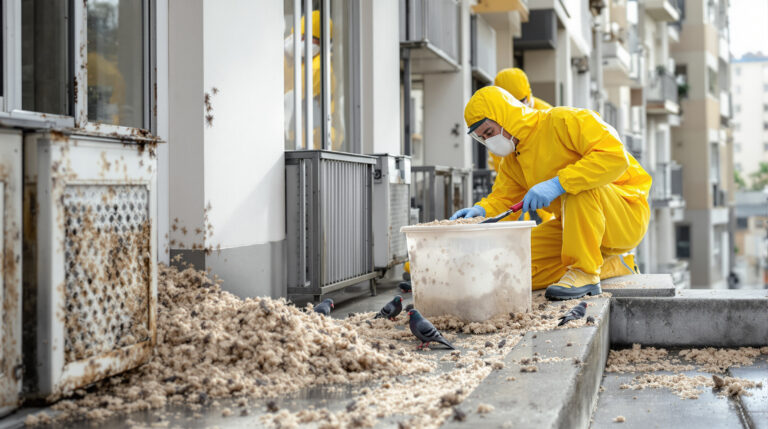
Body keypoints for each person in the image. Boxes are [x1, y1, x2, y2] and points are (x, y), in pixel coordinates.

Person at [451, 86, 651, 300]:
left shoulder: (562, 120)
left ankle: (586, 273)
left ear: (505, 116)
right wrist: (480, 210)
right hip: (576, 226)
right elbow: (503, 198)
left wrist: (559, 183)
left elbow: (615, 156)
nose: (489, 142)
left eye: (489, 132)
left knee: (577, 185)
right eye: (482, 138)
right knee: (511, 263)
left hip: (625, 215)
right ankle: (612, 265)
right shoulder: (513, 162)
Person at [489, 68, 553, 172]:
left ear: (528, 94)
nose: (517, 108)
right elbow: (499, 158)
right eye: (510, 104)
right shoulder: (498, 119)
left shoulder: (547, 115)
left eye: (520, 102)